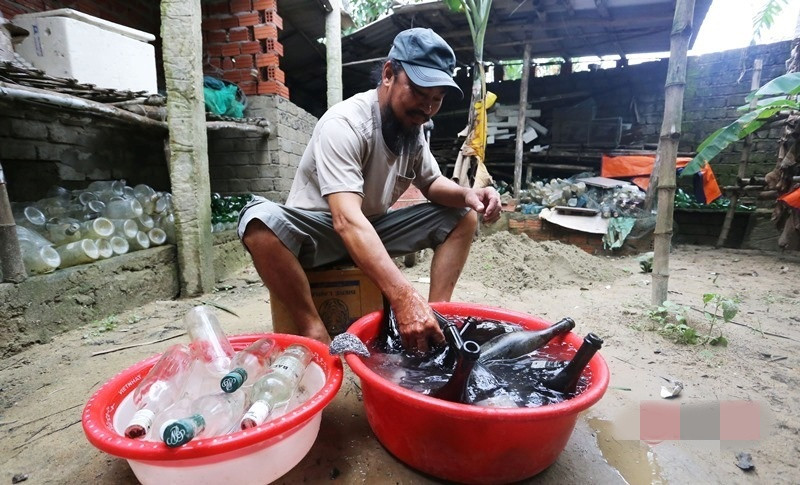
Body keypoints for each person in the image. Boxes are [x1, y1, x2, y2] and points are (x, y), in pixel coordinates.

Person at [237, 28, 501, 351]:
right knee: (258, 223)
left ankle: (434, 319)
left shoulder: (412, 130)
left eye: (437, 99)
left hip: (371, 228)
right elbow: (345, 220)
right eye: (420, 92)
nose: (428, 108)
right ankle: (313, 328)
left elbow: (431, 184)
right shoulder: (346, 124)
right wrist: (403, 295)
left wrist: (468, 195)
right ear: (389, 73)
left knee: (463, 216)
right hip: (319, 234)